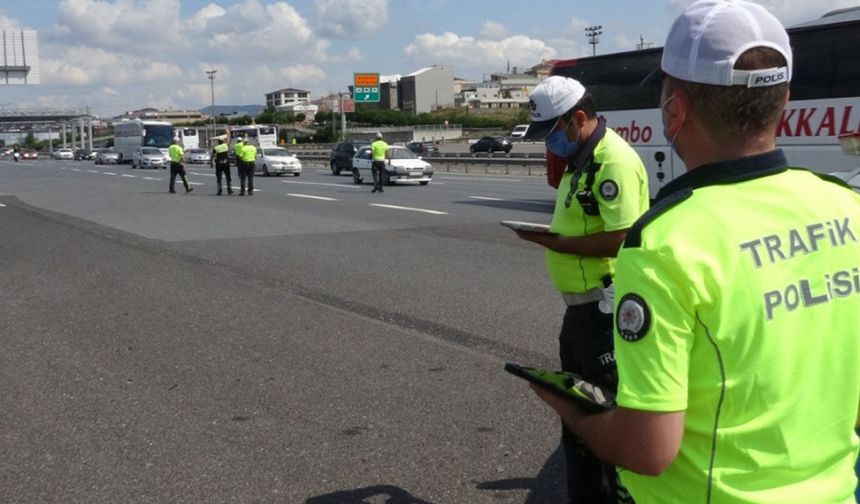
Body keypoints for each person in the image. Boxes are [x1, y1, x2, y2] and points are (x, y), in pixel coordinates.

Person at [529, 1, 860, 503]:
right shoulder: (846, 206)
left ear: (676, 111)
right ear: (785, 99)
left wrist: (573, 411)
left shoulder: (666, 243)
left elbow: (648, 449)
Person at [516, 75, 649, 504]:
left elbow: (626, 235)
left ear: (578, 119)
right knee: (577, 417)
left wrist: (557, 244)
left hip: (605, 313)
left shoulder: (613, 161)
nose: (549, 144)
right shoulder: (581, 160)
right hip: (583, 312)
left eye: (553, 133)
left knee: (601, 417)